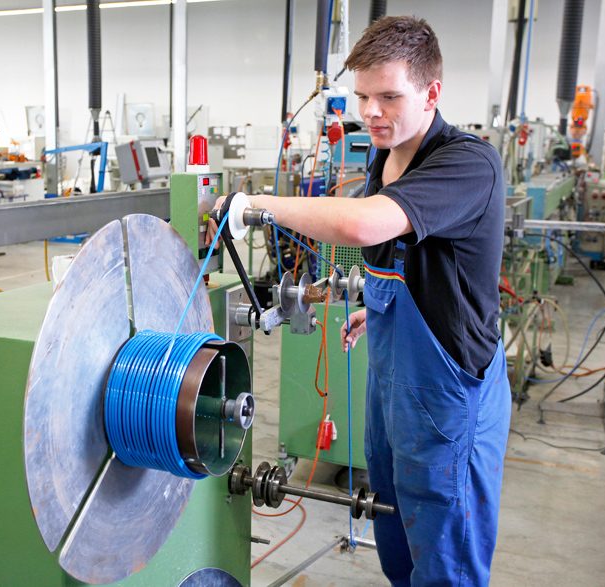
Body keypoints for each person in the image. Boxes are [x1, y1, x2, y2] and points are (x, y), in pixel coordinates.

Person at [209, 16, 510, 587]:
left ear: (432, 93)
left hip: (449, 401)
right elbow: (418, 265)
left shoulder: (467, 163)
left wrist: (255, 203)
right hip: (395, 387)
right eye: (363, 97)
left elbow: (365, 224)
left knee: (446, 556)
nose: (371, 112)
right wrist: (382, 306)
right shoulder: (385, 156)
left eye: (389, 96)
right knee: (398, 535)